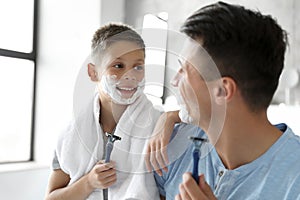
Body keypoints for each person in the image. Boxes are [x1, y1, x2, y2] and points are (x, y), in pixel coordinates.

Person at [147, 2, 300, 200]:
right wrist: (169, 116)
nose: (174, 81)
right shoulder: (174, 147)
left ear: (222, 90)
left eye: (184, 70)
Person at [45, 23, 161, 200]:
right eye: (118, 66)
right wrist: (89, 182)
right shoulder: (70, 134)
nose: (130, 76)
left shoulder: (159, 127)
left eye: (138, 67)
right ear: (93, 72)